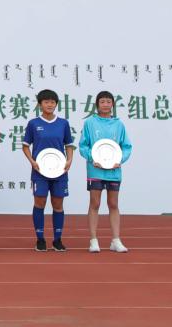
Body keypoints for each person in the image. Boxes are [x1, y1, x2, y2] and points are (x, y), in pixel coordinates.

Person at [79, 91, 133, 253]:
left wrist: (120, 160)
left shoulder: (119, 124)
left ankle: (116, 240)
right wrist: (92, 157)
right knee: (95, 203)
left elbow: (126, 147)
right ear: (97, 104)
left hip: (114, 171)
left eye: (109, 102)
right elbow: (83, 145)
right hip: (95, 170)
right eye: (102, 101)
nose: (105, 104)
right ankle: (93, 240)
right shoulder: (90, 123)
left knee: (113, 204)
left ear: (113, 105)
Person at [23, 89, 75, 252]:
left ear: (56, 104)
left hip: (59, 171)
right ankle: (40, 239)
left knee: (58, 204)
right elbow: (25, 146)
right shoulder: (33, 124)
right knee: (39, 203)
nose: (50, 105)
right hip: (39, 171)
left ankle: (57, 239)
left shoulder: (63, 123)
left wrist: (69, 160)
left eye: (52, 102)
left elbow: (69, 145)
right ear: (40, 104)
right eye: (46, 102)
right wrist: (32, 161)